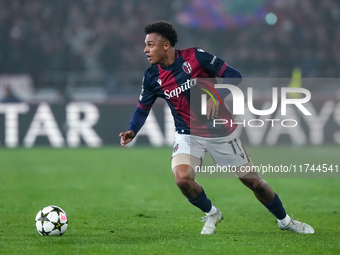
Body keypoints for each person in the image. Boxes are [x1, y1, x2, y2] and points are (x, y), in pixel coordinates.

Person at [119, 20, 314, 235]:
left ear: (166, 45)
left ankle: (285, 221)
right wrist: (132, 130)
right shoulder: (152, 77)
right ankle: (212, 213)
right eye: (145, 45)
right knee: (182, 179)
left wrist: (216, 96)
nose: (145, 50)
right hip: (187, 134)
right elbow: (142, 108)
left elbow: (234, 75)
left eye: (150, 44)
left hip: (219, 132)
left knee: (255, 184)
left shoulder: (196, 57)